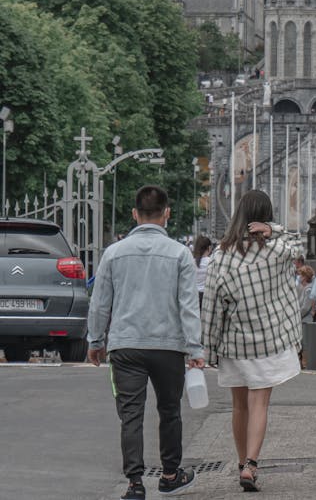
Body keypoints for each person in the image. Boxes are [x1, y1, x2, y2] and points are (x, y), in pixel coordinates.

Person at [87, 185, 204, 500]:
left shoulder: (114, 253)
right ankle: (169, 475)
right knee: (169, 410)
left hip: (125, 346)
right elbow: (188, 305)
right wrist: (195, 348)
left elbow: (100, 303)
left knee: (131, 414)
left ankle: (135, 483)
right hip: (168, 346)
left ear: (134, 214)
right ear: (167, 213)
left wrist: (95, 340)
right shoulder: (180, 253)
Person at [201, 189, 302, 492]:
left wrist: (209, 346)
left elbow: (212, 304)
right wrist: (274, 231)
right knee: (259, 404)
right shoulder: (277, 250)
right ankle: (252, 465)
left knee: (238, 406)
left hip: (235, 341)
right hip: (269, 340)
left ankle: (241, 461)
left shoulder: (221, 255)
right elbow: (301, 246)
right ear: (266, 217)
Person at [192, 234, 213, 308]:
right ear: (209, 248)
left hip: (193, 296)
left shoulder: (190, 261)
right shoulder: (211, 261)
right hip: (207, 296)